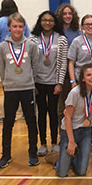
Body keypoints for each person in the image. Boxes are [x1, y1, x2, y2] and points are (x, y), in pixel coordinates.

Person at [0, 13, 40, 168]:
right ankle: (6, 155)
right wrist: (6, 83)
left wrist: (31, 82)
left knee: (31, 122)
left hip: (27, 88)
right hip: (10, 89)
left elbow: (35, 66)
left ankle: (33, 153)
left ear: (24, 27)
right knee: (8, 123)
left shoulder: (31, 45)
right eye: (14, 26)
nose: (17, 29)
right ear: (9, 27)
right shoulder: (2, 47)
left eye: (20, 26)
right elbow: (1, 68)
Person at [29, 11, 68, 157]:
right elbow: (30, 63)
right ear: (40, 22)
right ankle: (43, 143)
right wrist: (32, 83)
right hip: (38, 82)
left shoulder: (61, 39)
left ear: (55, 22)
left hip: (53, 82)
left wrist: (59, 83)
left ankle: (54, 142)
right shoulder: (33, 40)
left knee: (53, 113)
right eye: (44, 20)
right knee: (41, 113)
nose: (47, 23)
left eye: (50, 20)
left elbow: (63, 62)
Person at [67, 14, 92, 148]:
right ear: (82, 27)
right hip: (81, 79)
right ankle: (77, 135)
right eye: (87, 24)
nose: (90, 26)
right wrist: (72, 81)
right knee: (81, 108)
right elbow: (71, 62)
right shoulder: (77, 41)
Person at [57, 64, 92, 177]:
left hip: (85, 132)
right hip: (70, 131)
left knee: (81, 171)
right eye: (89, 75)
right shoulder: (75, 93)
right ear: (83, 78)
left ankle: (73, 156)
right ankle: (57, 157)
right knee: (62, 173)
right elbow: (67, 117)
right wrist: (71, 141)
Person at [55, 3, 81, 149]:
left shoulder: (77, 31)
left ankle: (77, 136)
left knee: (77, 106)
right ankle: (62, 136)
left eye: (69, 13)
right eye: (64, 14)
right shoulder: (56, 32)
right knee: (62, 107)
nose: (67, 16)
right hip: (61, 74)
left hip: (75, 72)